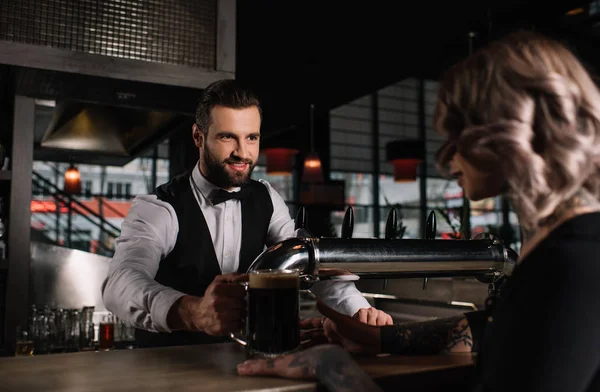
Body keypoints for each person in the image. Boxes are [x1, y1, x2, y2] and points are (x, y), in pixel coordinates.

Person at [237, 30, 600, 391]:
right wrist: (379, 339)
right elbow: (494, 327)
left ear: (509, 133)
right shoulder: (568, 242)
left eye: (458, 134)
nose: (445, 161)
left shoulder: (572, 262)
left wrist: (331, 368)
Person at [102, 79, 392, 348]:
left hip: (242, 366)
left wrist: (360, 312)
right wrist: (192, 312)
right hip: (167, 370)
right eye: (228, 137)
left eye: (251, 138)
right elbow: (120, 283)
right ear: (198, 136)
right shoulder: (158, 207)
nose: (243, 152)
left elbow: (307, 262)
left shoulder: (266, 197)